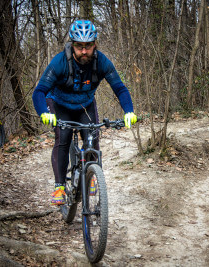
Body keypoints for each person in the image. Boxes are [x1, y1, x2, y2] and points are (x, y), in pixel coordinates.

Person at [32, 19, 137, 205]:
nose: (83, 51)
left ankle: (91, 175)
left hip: (84, 105)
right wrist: (44, 112)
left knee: (92, 138)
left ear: (94, 44)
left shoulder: (102, 62)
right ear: (72, 45)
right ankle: (59, 187)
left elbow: (120, 88)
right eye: (79, 46)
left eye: (88, 46)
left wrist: (128, 111)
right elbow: (39, 91)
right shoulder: (59, 62)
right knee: (62, 138)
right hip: (59, 104)